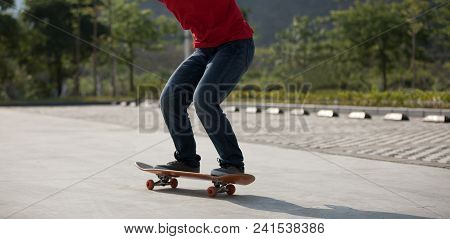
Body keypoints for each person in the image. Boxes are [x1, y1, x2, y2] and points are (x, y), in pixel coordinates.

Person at [155, 0, 255, 176]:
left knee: (204, 99)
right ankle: (187, 160)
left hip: (235, 45)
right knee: (170, 98)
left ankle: (233, 163)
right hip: (204, 50)